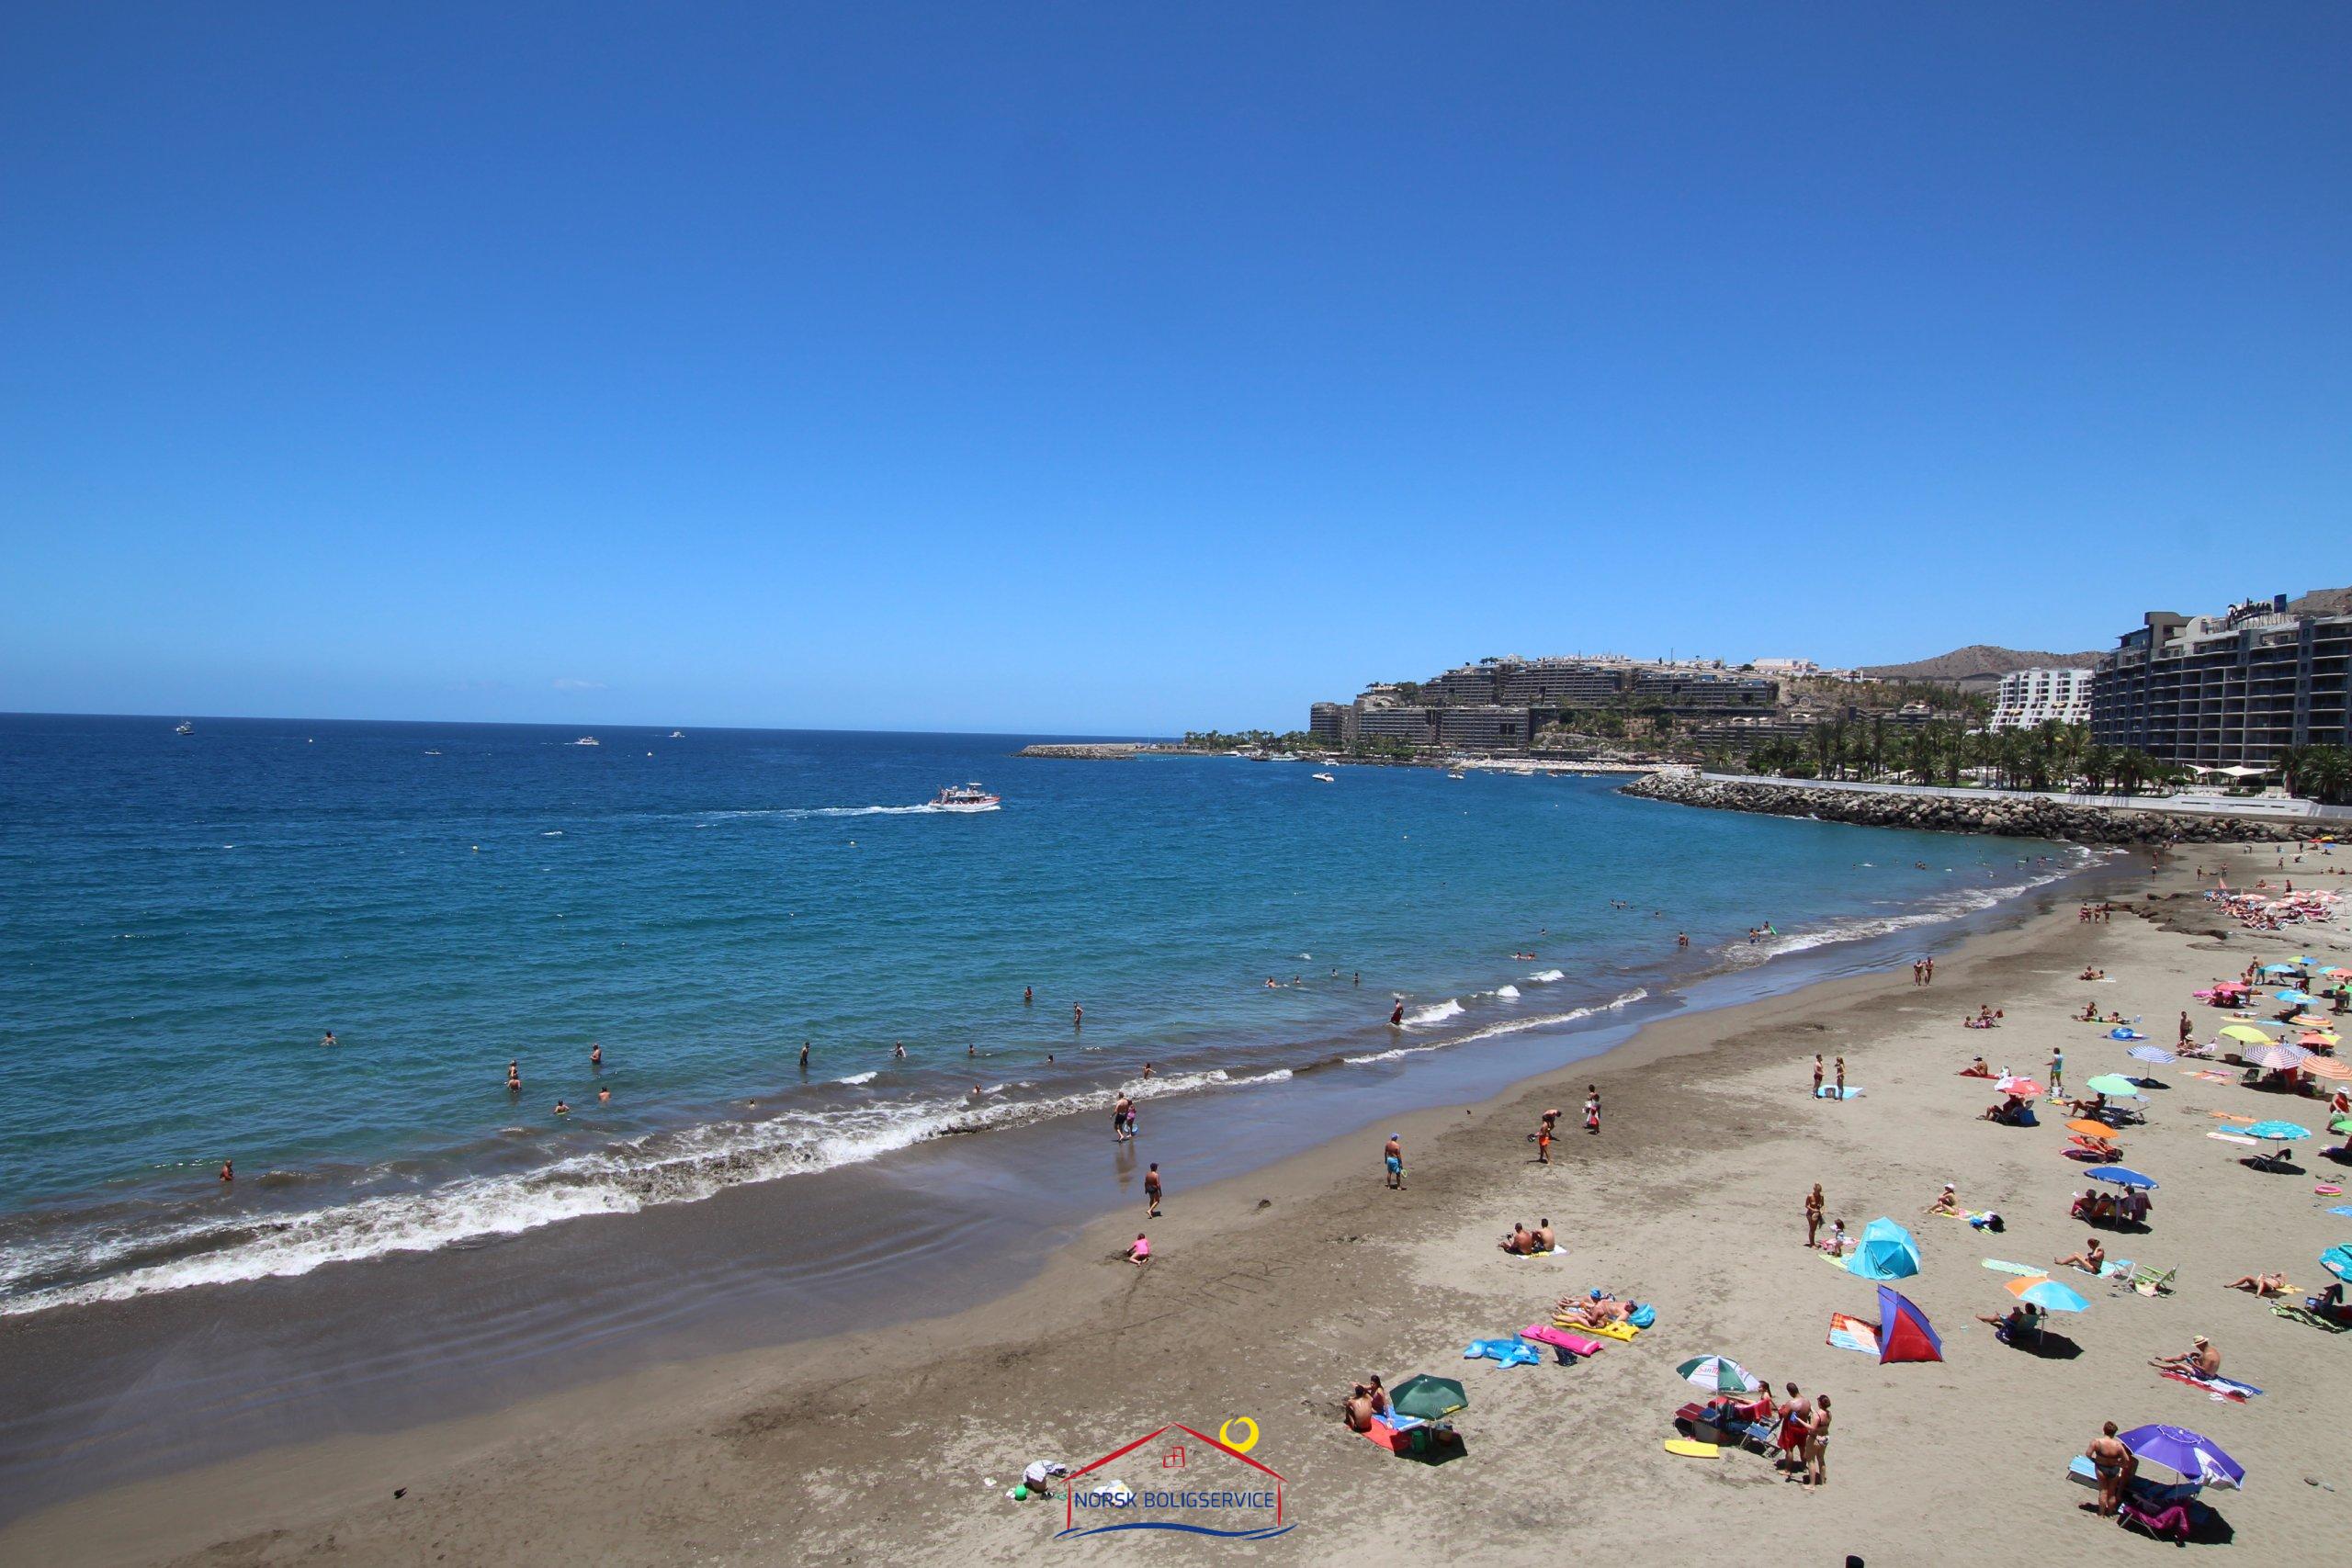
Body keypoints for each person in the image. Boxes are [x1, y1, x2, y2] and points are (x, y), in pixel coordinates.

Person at [2086, 1423, 2135, 1519]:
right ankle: (2109, 1513)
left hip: (2101, 1468)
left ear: (2104, 1430)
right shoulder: (2118, 1445)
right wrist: (2119, 1464)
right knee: (2112, 1493)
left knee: (2103, 1491)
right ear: (2114, 1433)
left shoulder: (2097, 1442)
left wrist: (2094, 1460)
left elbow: (2088, 1454)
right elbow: (2127, 1460)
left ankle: (2101, 1513)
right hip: (2114, 1469)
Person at [2150, 1336, 2220, 1378]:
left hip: (2206, 1375)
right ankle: (2165, 1359)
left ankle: (2158, 1365)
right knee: (2185, 1354)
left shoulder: (2208, 1355)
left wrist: (2193, 1364)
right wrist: (2196, 1355)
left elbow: (2204, 1370)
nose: (2197, 1347)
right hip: (2206, 1371)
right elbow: (2205, 1359)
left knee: (2180, 1365)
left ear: (2202, 1344)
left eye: (2198, 1345)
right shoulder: (2209, 1350)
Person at [1804, 1393, 1831, 1488]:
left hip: (1815, 1438)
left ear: (1820, 1403)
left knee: (1811, 1461)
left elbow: (1812, 1428)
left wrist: (1800, 1421)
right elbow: (1820, 1419)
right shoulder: (1829, 1414)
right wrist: (1812, 1409)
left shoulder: (1816, 1415)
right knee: (1821, 1459)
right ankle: (1822, 1482)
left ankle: (1812, 1485)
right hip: (1825, 1438)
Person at [2224, 1270, 2289, 1297]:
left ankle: (2258, 1294)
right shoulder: (2267, 1278)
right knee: (2247, 1277)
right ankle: (2230, 1285)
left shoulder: (2280, 1282)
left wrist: (2276, 1275)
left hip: (2270, 1288)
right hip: (2260, 1284)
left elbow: (2282, 1273)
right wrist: (2261, 1276)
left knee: (2262, 1281)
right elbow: (2258, 1281)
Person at [1804, 1183, 1825, 1248]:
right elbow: (1806, 1205)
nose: (1818, 1192)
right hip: (1810, 1214)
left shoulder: (1821, 1196)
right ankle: (1812, 1244)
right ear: (1814, 1189)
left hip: (1817, 1214)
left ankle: (1813, 1242)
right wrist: (1813, 1209)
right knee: (1812, 1229)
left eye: (1819, 1191)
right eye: (1817, 1191)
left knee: (1814, 1229)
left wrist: (1822, 1211)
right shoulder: (1810, 1196)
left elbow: (1822, 1205)